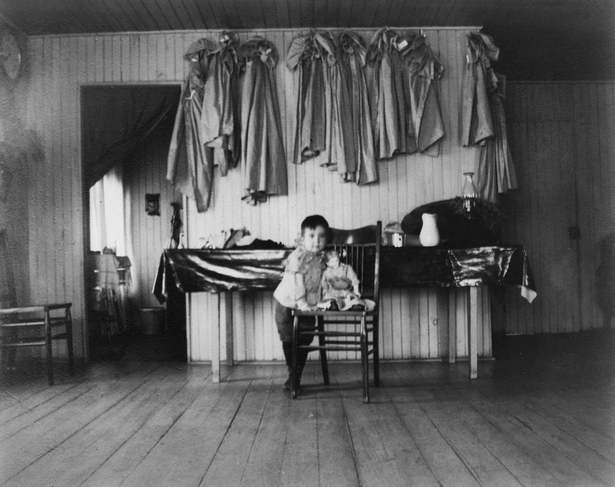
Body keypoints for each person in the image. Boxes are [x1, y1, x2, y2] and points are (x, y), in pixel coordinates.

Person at [273, 214, 329, 393]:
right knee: (288, 337)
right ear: (302, 238)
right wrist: (302, 303)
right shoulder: (298, 257)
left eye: (321, 237)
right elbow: (296, 283)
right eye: (312, 236)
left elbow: (326, 280)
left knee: (304, 337)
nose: (316, 241)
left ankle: (296, 375)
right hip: (287, 302)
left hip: (308, 304)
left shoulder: (324, 259)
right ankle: (293, 372)